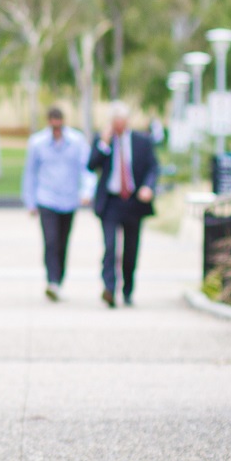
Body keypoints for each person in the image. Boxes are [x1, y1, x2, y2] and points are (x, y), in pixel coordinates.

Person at [87, 102, 159, 307]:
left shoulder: (142, 141)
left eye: (121, 121)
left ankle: (127, 289)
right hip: (110, 202)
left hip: (134, 202)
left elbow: (153, 167)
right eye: (114, 121)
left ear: (127, 121)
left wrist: (148, 187)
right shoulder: (103, 140)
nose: (118, 125)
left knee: (130, 250)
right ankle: (109, 288)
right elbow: (91, 165)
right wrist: (103, 143)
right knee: (110, 247)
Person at [22, 106, 88, 301]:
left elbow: (85, 168)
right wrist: (30, 202)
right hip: (46, 198)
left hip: (69, 198)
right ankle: (51, 280)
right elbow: (30, 173)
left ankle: (59, 280)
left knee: (62, 242)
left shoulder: (77, 141)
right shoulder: (37, 143)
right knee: (50, 241)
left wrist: (86, 191)